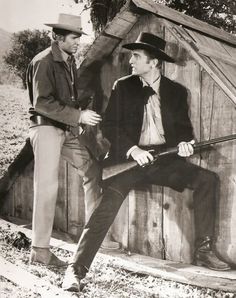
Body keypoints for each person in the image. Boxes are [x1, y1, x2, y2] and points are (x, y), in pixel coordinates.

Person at [62, 32, 230, 291]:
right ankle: (76, 270)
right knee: (104, 208)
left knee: (208, 179)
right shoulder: (123, 86)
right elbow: (110, 126)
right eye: (132, 56)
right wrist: (133, 150)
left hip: (163, 162)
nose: (131, 61)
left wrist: (186, 145)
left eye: (137, 56)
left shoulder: (176, 92)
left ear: (154, 63)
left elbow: (185, 133)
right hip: (128, 161)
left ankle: (203, 250)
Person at [27, 13, 118, 267]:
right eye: (74, 37)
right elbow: (42, 103)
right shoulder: (43, 61)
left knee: (92, 169)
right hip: (45, 130)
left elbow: (69, 99)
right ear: (58, 37)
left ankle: (93, 235)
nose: (78, 42)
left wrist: (84, 110)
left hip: (65, 130)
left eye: (79, 37)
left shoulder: (69, 62)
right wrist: (79, 115)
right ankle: (40, 251)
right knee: (46, 187)